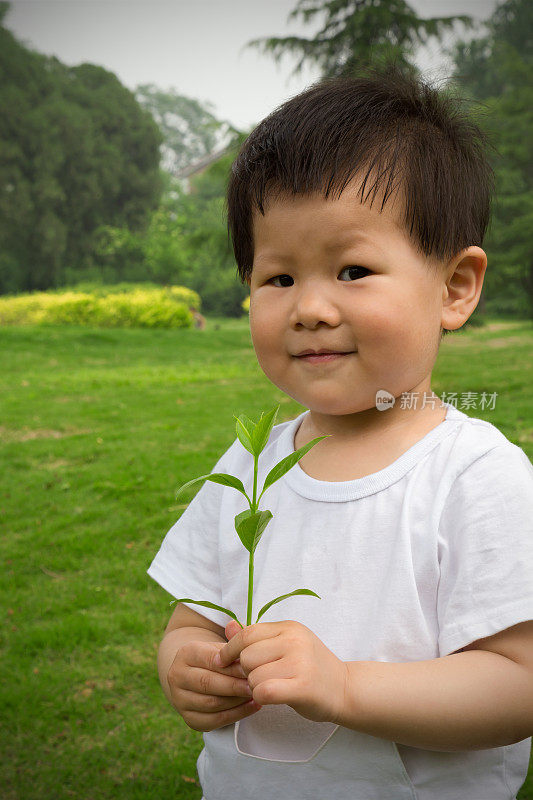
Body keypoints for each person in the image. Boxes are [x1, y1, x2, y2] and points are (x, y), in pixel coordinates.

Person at [148, 65, 533, 800]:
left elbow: (516, 687)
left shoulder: (472, 473)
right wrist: (186, 667)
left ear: (453, 288)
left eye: (352, 269)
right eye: (279, 278)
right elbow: (189, 622)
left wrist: (344, 686)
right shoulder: (254, 462)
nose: (310, 308)